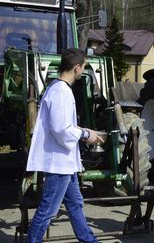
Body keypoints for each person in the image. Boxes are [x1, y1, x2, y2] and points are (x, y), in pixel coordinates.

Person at [26, 49, 104, 243]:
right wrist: (86, 134)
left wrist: (83, 130)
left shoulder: (58, 89)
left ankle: (89, 240)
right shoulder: (61, 92)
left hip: (65, 163)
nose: (83, 70)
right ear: (76, 68)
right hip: (58, 164)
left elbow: (63, 125)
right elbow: (61, 129)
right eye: (83, 67)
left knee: (75, 203)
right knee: (48, 211)